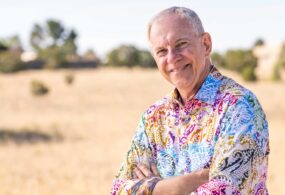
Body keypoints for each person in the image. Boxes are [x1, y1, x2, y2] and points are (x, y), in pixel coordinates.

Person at [111, 6, 269, 195]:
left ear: (206, 44)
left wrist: (150, 189)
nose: (172, 58)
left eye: (181, 44)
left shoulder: (239, 106)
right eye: (161, 51)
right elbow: (117, 190)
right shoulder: (153, 118)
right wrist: (184, 183)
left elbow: (225, 190)